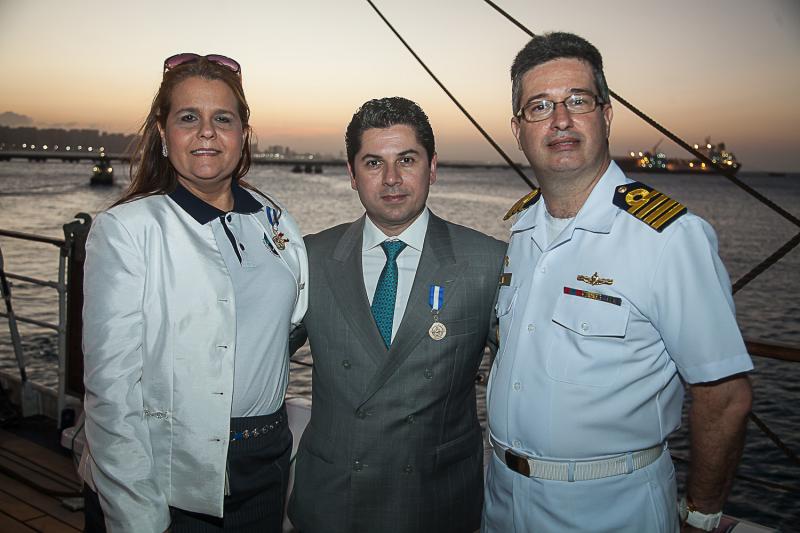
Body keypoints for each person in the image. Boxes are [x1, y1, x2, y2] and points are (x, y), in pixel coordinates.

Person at [482, 32, 754, 533]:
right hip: (502, 498)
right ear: (518, 131)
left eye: (577, 101)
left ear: (605, 116)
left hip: (609, 509)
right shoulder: (519, 232)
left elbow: (725, 396)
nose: (560, 120)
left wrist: (700, 516)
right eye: (539, 106)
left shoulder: (669, 238)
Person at [79, 53, 308, 533]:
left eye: (223, 118)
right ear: (163, 135)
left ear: (243, 134)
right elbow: (111, 392)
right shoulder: (128, 230)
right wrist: (136, 514)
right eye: (188, 118)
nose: (207, 131)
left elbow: (291, 320)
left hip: (265, 461)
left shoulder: (273, 218)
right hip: (169, 468)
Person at [287, 97, 505, 533]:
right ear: (352, 175)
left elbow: (524, 379)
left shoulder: (487, 262)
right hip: (331, 502)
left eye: (407, 160)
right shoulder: (310, 256)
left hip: (435, 503)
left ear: (432, 167)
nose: (391, 178)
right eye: (373, 163)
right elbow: (259, 358)